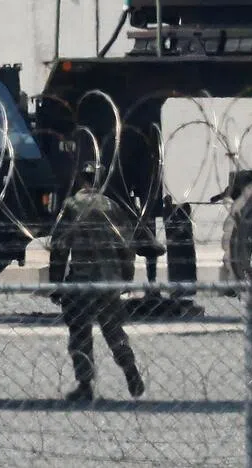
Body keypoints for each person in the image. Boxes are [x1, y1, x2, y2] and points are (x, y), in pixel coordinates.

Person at [49, 161, 145, 403]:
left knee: (80, 332)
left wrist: (56, 283)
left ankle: (85, 384)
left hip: (81, 281)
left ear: (80, 179)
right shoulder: (111, 206)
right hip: (108, 281)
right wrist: (126, 277)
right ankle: (129, 368)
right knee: (113, 329)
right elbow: (127, 245)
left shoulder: (71, 205)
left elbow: (59, 247)